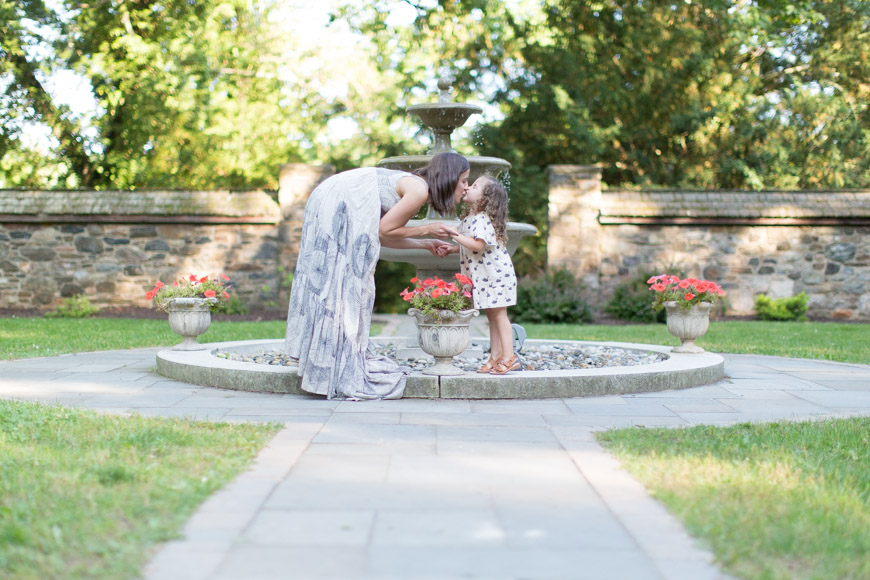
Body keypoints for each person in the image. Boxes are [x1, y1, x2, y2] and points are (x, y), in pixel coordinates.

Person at [285, 152, 470, 400]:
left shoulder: (416, 186)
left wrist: (425, 243)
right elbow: (386, 229)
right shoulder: (418, 190)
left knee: (337, 280)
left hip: (331, 195)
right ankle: (330, 366)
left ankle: (324, 364)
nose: (466, 188)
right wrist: (427, 229)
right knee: (346, 282)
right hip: (338, 198)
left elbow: (382, 236)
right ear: (450, 178)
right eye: (465, 180)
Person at [444, 175, 521, 375]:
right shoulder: (470, 219)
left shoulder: (482, 219)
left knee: (500, 316)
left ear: (486, 198)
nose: (468, 187)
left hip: (495, 276)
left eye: (475, 186)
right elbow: (469, 245)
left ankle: (509, 356)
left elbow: (477, 245)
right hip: (486, 277)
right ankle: (495, 357)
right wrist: (452, 248)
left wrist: (454, 235)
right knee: (492, 316)